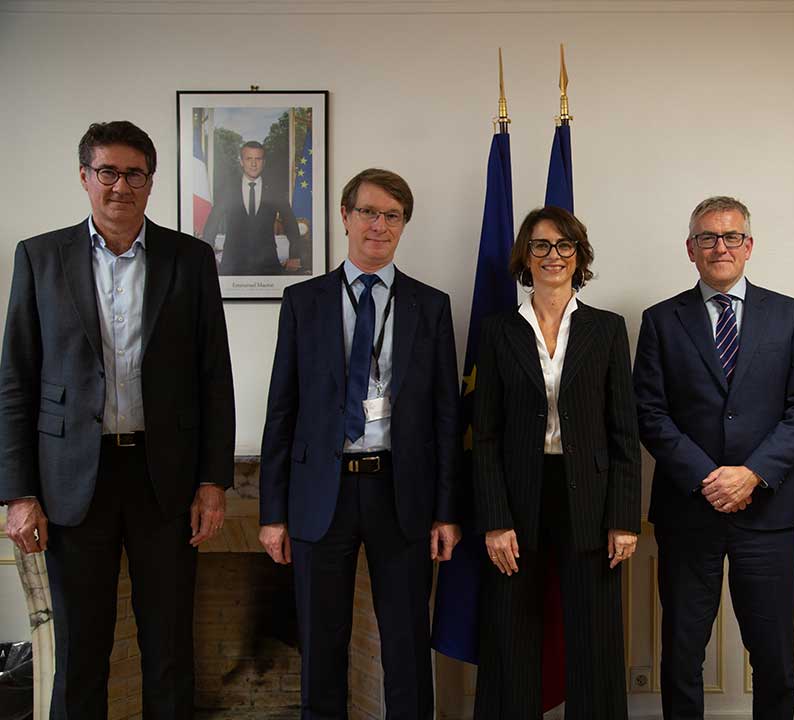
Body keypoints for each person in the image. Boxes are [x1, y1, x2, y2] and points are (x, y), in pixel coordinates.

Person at [0, 121, 235, 719]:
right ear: (85, 177)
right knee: (80, 652)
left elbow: (214, 378)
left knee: (169, 649)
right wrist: (19, 494)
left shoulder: (190, 259)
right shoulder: (40, 257)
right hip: (72, 484)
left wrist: (212, 481)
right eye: (108, 171)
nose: (120, 186)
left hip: (165, 481)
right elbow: (16, 383)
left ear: (151, 182)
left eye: (134, 174)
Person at [258, 168, 462, 719]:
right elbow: (282, 411)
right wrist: (272, 513)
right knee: (321, 646)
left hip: (401, 491)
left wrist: (447, 511)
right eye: (368, 212)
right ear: (345, 216)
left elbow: (447, 416)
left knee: (406, 646)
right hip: (320, 494)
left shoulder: (430, 305)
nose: (379, 225)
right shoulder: (303, 301)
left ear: (403, 225)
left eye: (392, 216)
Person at [634, 196, 794, 719]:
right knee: (682, 653)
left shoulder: (790, 315)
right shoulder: (660, 320)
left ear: (749, 246)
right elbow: (649, 411)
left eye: (731, 236)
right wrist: (707, 477)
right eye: (708, 238)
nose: (720, 247)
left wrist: (753, 474)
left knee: (773, 655)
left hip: (769, 513)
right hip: (687, 512)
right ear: (690, 249)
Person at [472, 206, 640, 719]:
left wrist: (624, 519)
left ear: (578, 256)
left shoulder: (607, 329)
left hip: (590, 497)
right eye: (541, 245)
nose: (553, 255)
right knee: (511, 631)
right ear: (526, 255)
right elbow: (485, 436)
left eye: (564, 245)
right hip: (517, 497)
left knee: (594, 634)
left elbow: (624, 433)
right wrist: (495, 519)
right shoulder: (497, 331)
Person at [202, 140, 304, 275]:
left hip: (268, 264)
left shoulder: (275, 190)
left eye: (258, 159)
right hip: (232, 265)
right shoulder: (228, 189)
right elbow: (212, 223)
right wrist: (207, 257)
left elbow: (290, 223)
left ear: (264, 162)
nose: (254, 164)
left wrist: (294, 256)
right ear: (241, 161)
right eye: (249, 159)